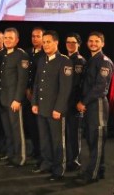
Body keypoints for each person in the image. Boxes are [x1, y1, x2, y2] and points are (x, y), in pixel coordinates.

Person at [32, 30, 73, 181]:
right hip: (42, 108)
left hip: (55, 110)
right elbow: (37, 83)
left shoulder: (64, 61)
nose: (45, 45)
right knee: (44, 139)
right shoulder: (42, 60)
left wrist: (58, 109)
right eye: (43, 42)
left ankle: (58, 169)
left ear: (56, 42)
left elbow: (65, 89)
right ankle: (46, 164)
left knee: (57, 141)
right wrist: (34, 102)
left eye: (48, 42)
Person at [75, 31, 114, 185]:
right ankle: (100, 169)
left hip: (97, 105)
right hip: (89, 104)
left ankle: (93, 174)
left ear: (102, 43)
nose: (93, 43)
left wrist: (83, 102)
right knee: (92, 141)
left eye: (96, 41)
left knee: (96, 140)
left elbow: (100, 88)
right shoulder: (91, 61)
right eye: (90, 41)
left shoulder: (104, 61)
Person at [0, 28, 30, 167]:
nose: (7, 40)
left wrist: (17, 99)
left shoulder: (21, 55)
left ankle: (20, 157)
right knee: (7, 129)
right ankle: (10, 154)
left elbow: (22, 80)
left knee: (17, 130)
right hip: (3, 98)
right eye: (5, 38)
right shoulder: (3, 54)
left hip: (13, 100)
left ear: (16, 40)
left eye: (10, 38)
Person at [64, 33, 86, 172]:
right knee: (65, 133)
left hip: (74, 103)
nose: (71, 45)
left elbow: (79, 84)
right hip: (64, 102)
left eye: (73, 42)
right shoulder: (64, 59)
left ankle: (74, 161)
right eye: (68, 42)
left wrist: (80, 102)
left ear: (78, 44)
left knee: (73, 133)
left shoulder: (80, 61)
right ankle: (66, 159)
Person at [24, 26, 45, 166]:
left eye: (38, 36)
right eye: (33, 36)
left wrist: (35, 93)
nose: (35, 39)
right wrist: (26, 89)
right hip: (27, 94)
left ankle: (42, 153)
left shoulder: (45, 54)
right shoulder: (27, 53)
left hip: (40, 96)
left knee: (40, 127)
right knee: (31, 125)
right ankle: (35, 150)